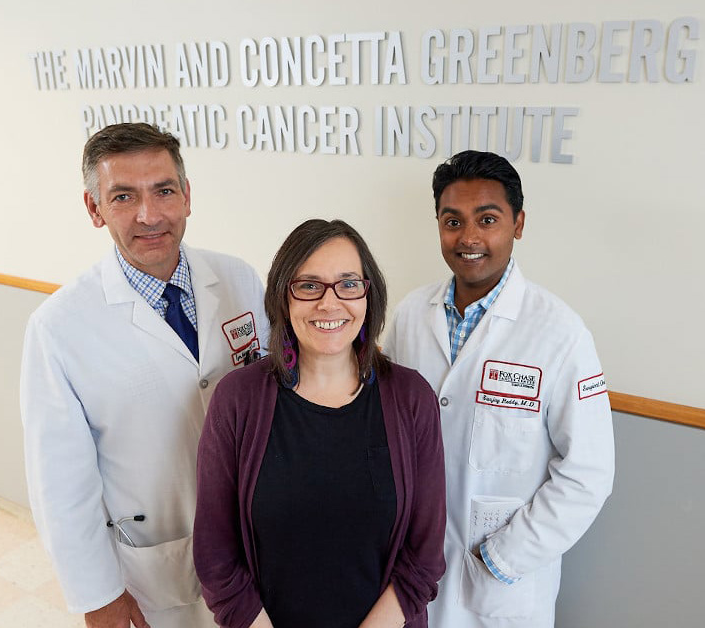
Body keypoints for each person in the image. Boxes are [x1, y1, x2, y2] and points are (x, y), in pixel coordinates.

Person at [20, 122, 268, 628]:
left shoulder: (239, 278)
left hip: (258, 549)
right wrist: (99, 597)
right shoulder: (59, 327)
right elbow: (61, 486)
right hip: (160, 569)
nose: (149, 215)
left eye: (163, 191)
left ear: (187, 196)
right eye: (123, 197)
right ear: (94, 209)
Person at [386, 150, 615, 628]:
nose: (469, 237)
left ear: (518, 224)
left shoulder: (559, 333)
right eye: (453, 221)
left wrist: (501, 558)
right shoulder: (409, 314)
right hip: (408, 570)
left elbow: (588, 473)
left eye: (487, 219)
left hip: (498, 584)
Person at [193, 219, 447, 628]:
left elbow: (424, 558)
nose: (330, 304)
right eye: (309, 285)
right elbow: (216, 557)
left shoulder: (411, 399)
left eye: (348, 284)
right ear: (283, 297)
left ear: (368, 294)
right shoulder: (238, 399)